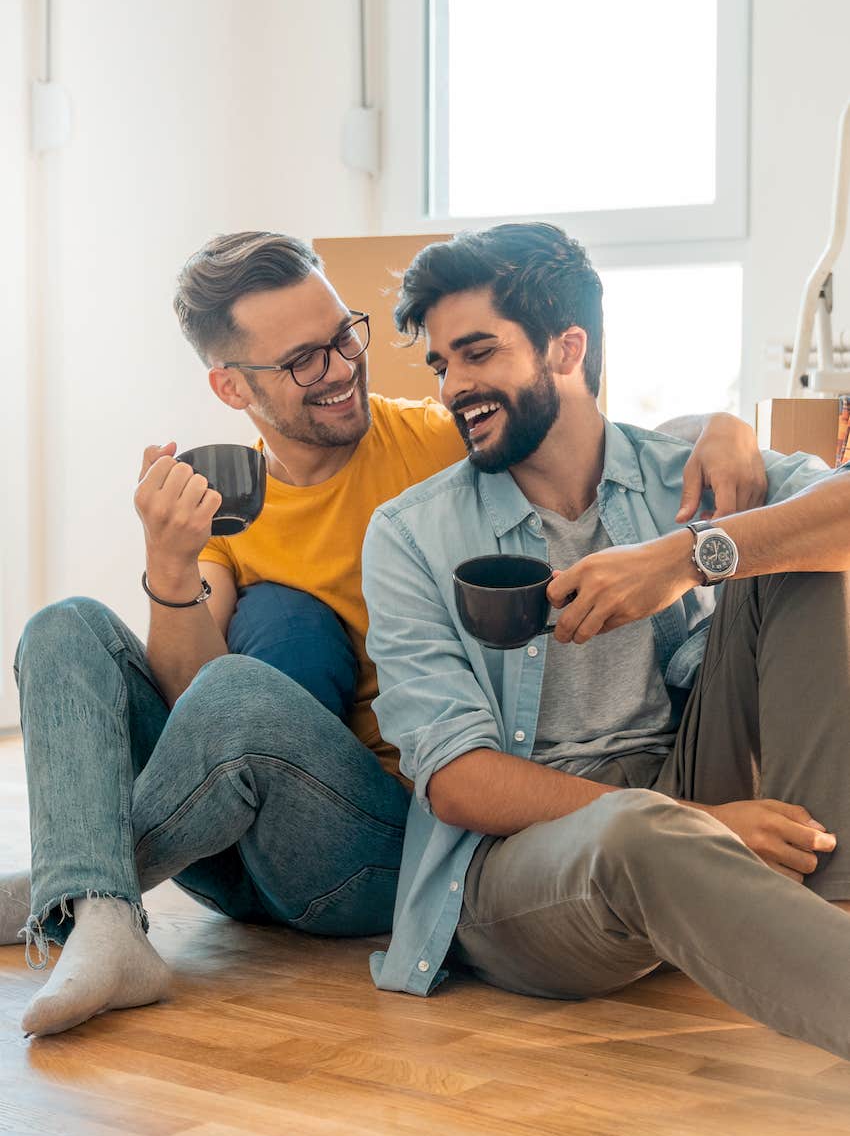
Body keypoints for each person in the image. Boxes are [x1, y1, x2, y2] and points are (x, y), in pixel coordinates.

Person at [1, 230, 766, 1039]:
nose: (340, 368)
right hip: (226, 841)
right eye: (304, 360)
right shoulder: (227, 512)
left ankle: (76, 886)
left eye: (344, 336)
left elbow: (583, 430)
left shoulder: (438, 442)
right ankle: (98, 905)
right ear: (230, 386)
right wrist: (169, 563)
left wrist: (723, 427)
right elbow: (193, 712)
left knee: (243, 689)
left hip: (379, 843)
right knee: (64, 626)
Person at [361, 221, 850, 1061]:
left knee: (798, 554)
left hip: (682, 777)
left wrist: (687, 556)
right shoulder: (410, 534)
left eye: (478, 353)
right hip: (523, 866)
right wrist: (706, 825)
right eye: (442, 365)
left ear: (567, 347)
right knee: (637, 834)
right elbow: (458, 783)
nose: (453, 387)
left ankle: (827, 907)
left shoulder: (679, 475)